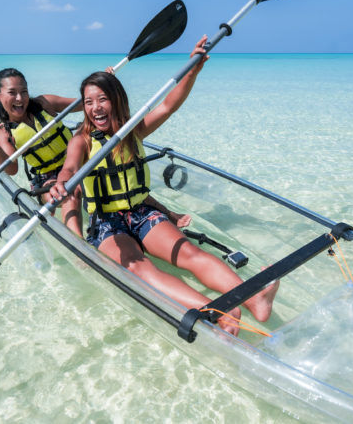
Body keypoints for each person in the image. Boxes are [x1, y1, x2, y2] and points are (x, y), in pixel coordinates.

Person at [48, 36, 279, 335]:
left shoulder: (133, 131)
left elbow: (169, 105)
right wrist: (61, 184)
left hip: (141, 212)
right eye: (89, 102)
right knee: (139, 268)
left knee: (189, 253)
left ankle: (255, 298)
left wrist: (192, 70)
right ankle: (217, 312)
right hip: (107, 223)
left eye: (102, 99)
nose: (95, 108)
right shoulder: (80, 140)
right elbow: (68, 169)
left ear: (116, 100)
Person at [0, 68, 191, 235]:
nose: (20, 98)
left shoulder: (44, 103)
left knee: (118, 178)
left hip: (80, 160)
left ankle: (165, 213)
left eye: (24, 92)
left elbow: (82, 104)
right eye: (12, 93)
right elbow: (11, 169)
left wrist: (104, 85)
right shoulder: (4, 132)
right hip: (48, 179)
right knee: (71, 190)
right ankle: (78, 243)